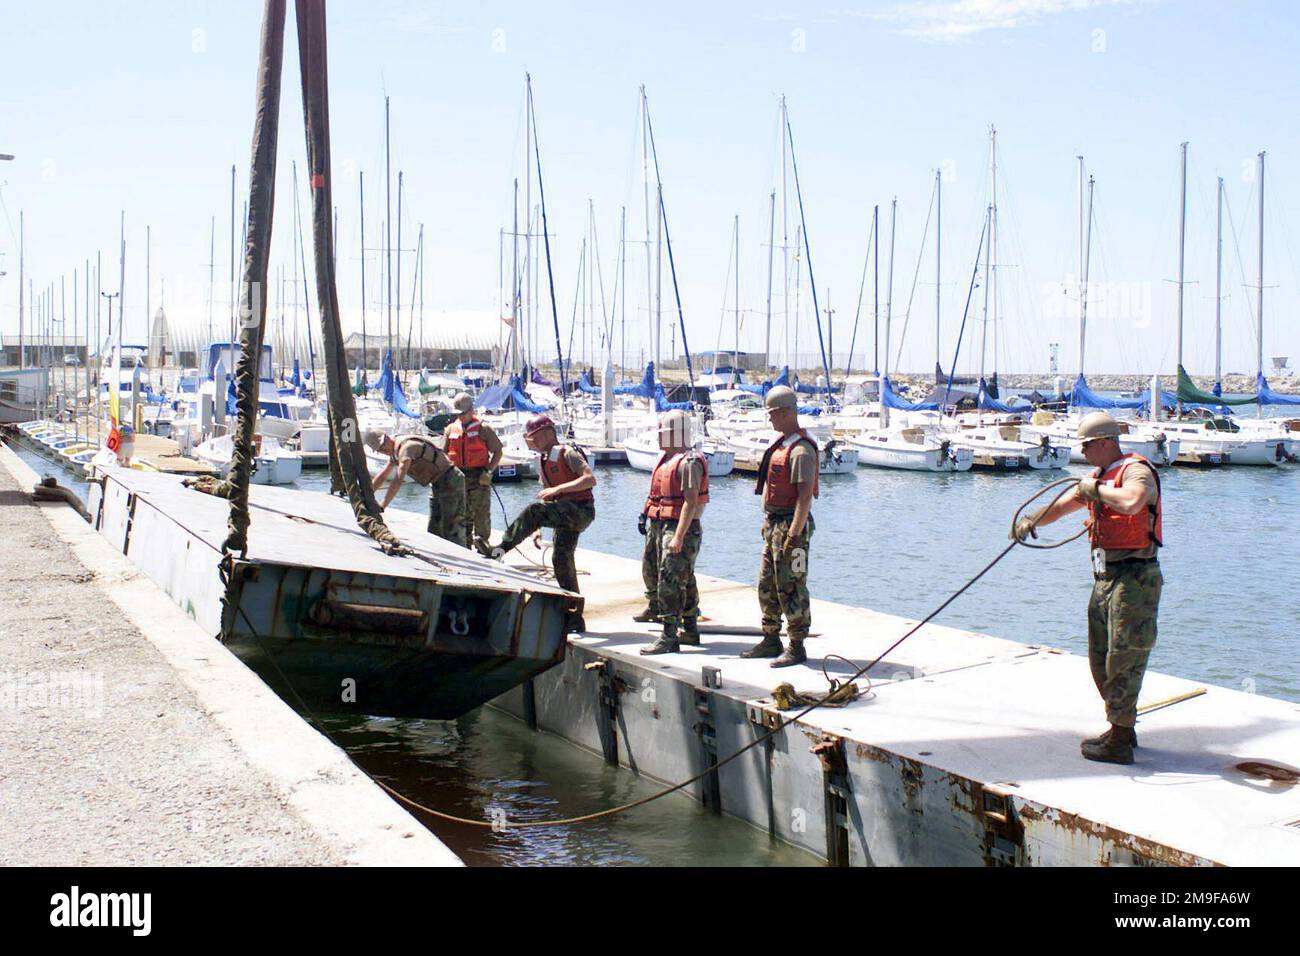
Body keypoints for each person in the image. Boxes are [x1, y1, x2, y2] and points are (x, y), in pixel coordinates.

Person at [1013, 411, 1163, 765]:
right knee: (1102, 658)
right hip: (1106, 576)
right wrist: (1030, 521)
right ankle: (1120, 727)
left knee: (1125, 655)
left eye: (1088, 445)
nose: (1084, 452)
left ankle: (1121, 740)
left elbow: (1132, 501)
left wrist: (1095, 489)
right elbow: (1064, 506)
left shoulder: (1135, 471)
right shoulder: (1100, 477)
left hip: (1135, 577)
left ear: (1107, 442)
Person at [494, 414, 596, 632]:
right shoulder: (544, 459)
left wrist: (558, 490)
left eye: (536, 437)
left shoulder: (567, 452)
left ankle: (501, 549)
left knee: (534, 510)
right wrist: (536, 529)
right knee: (561, 559)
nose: (534, 442)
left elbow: (590, 479)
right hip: (563, 512)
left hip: (580, 510)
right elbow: (546, 499)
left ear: (549, 433)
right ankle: (574, 617)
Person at [741, 385, 818, 667]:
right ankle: (771, 638)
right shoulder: (783, 444)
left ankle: (796, 645)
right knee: (767, 584)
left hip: (790, 526)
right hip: (774, 525)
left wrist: (794, 536)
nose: (770, 419)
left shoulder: (800, 451)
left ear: (786, 413)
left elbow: (804, 496)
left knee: (792, 585)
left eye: (773, 414)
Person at [637, 410, 708, 655]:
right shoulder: (665, 459)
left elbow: (690, 501)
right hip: (659, 524)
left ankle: (670, 635)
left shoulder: (688, 462)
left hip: (678, 527)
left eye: (662, 433)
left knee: (671, 580)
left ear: (677, 434)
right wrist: (644, 515)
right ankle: (688, 628)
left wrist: (679, 536)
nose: (658, 438)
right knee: (663, 572)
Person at [364, 429, 468, 548]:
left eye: (382, 448)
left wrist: (382, 506)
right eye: (379, 451)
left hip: (450, 480)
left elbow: (398, 479)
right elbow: (383, 474)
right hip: (436, 483)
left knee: (452, 525)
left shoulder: (407, 448)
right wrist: (366, 493)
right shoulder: (394, 450)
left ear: (387, 438)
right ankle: (440, 551)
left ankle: (459, 553)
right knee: (434, 526)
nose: (383, 452)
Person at [443, 392, 504, 555]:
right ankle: (464, 547)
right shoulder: (450, 430)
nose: (460, 417)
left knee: (481, 514)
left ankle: (482, 545)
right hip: (458, 478)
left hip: (479, 478)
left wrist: (489, 471)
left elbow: (498, 451)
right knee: (461, 515)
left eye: (463, 413)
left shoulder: (484, 429)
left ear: (471, 410)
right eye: (458, 414)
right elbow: (444, 454)